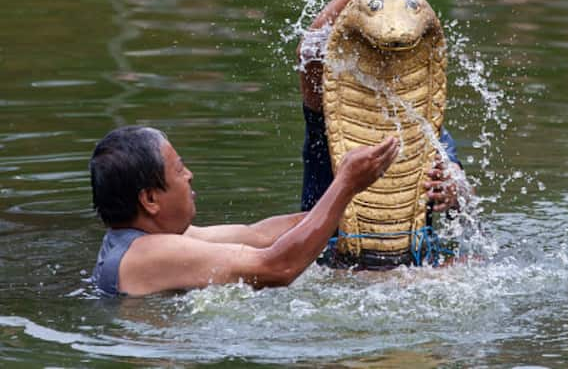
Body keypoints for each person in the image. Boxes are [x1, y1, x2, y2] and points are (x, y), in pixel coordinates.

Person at [90, 125, 399, 296]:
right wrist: (345, 184)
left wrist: (365, 204)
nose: (189, 176)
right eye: (180, 169)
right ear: (150, 200)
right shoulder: (149, 253)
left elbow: (260, 235)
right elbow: (277, 268)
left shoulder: (150, 239)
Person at [297, 0, 468, 218]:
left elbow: (463, 191)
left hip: (413, 257)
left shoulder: (424, 124)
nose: (387, 63)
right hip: (332, 253)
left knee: (476, 259)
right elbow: (308, 54)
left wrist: (454, 187)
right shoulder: (330, 110)